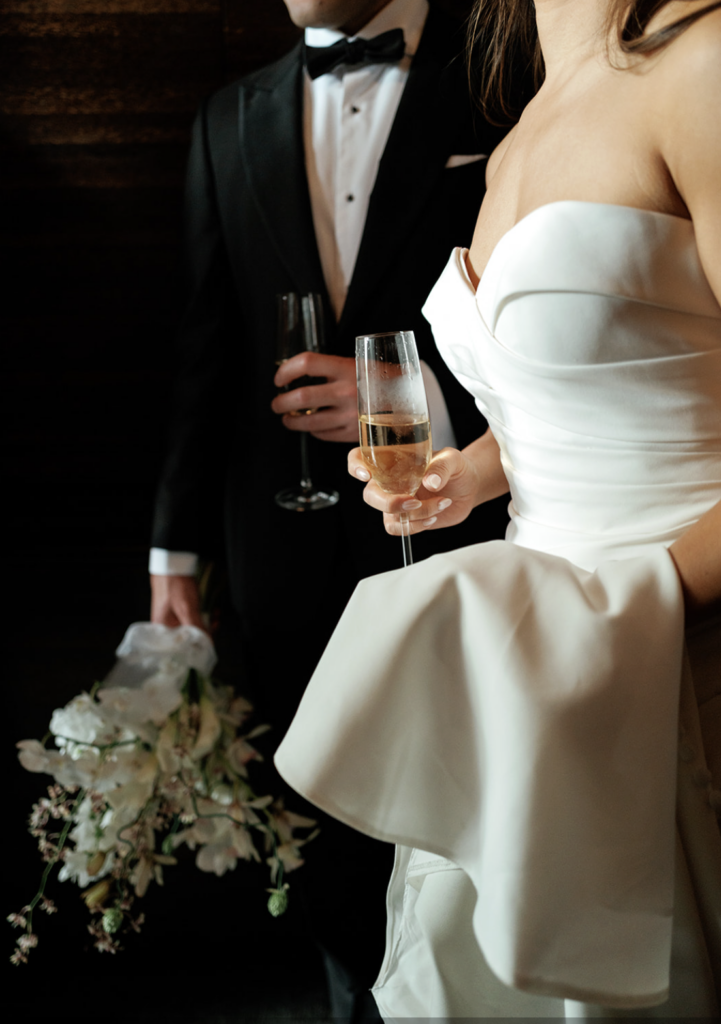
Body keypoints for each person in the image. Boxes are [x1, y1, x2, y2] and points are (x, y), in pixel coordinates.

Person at [275, 0, 721, 1018]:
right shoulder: (523, 119)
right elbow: (586, 389)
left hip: (681, 662)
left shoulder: (704, 66)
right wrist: (473, 472)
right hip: (531, 691)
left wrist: (641, 615)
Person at [149, 0, 510, 1017]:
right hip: (280, 539)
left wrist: (413, 399)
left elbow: (556, 309)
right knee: (321, 829)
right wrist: (173, 554)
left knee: (463, 809)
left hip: (469, 528)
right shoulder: (226, 117)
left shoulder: (499, 77)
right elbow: (203, 351)